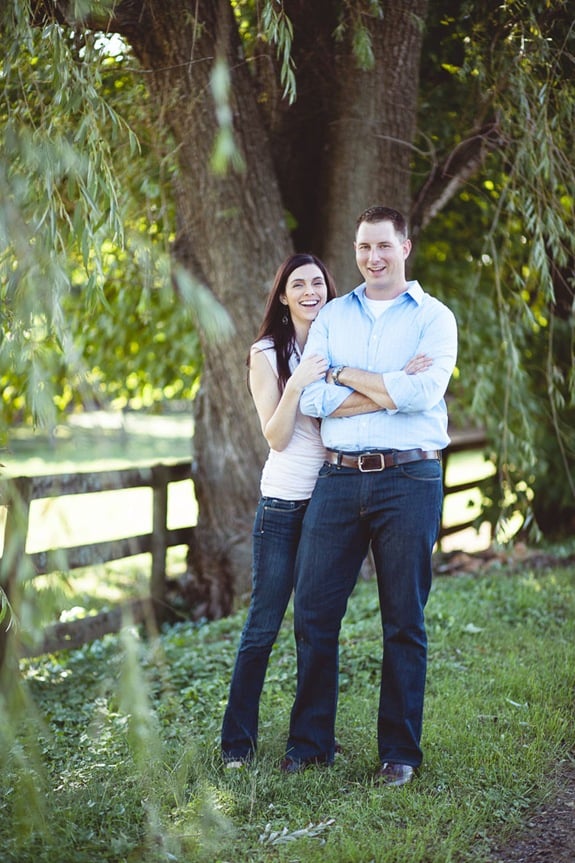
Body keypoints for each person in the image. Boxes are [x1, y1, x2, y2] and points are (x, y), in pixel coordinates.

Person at [282, 205, 458, 786]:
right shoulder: (332, 315)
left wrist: (344, 375)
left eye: (383, 246)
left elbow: (425, 390)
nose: (372, 258)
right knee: (312, 612)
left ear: (405, 247)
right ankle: (309, 746)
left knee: (404, 619)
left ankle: (399, 753)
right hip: (337, 480)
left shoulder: (435, 319)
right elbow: (309, 401)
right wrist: (387, 386)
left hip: (409, 480)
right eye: (363, 247)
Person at [220, 252, 337, 767]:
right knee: (264, 625)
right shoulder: (266, 352)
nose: (311, 291)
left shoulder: (338, 342)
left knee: (318, 627)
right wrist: (296, 382)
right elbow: (277, 434)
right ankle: (236, 745)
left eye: (318, 282)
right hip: (284, 505)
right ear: (284, 296)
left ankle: (311, 741)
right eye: (299, 284)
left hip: (332, 502)